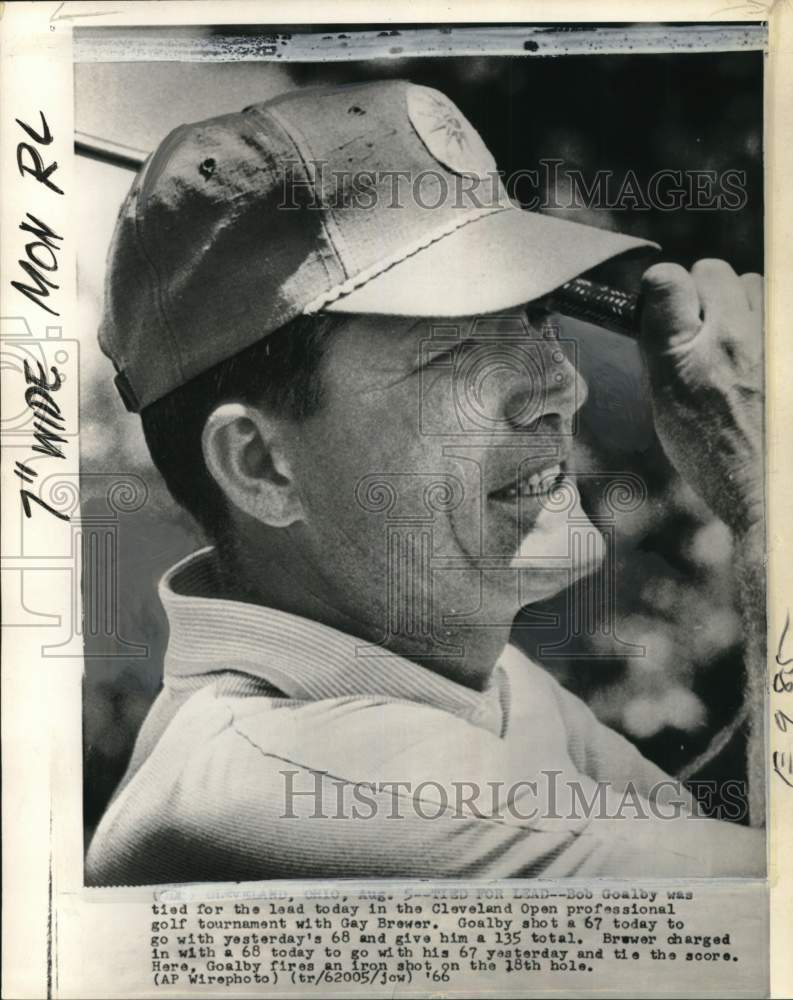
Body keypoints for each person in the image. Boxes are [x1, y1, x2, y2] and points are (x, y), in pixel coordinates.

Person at [85, 79, 764, 885]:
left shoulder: (460, 679)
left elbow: (687, 840)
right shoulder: (294, 779)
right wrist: (767, 501)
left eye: (535, 318)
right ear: (261, 467)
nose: (557, 386)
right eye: (452, 354)